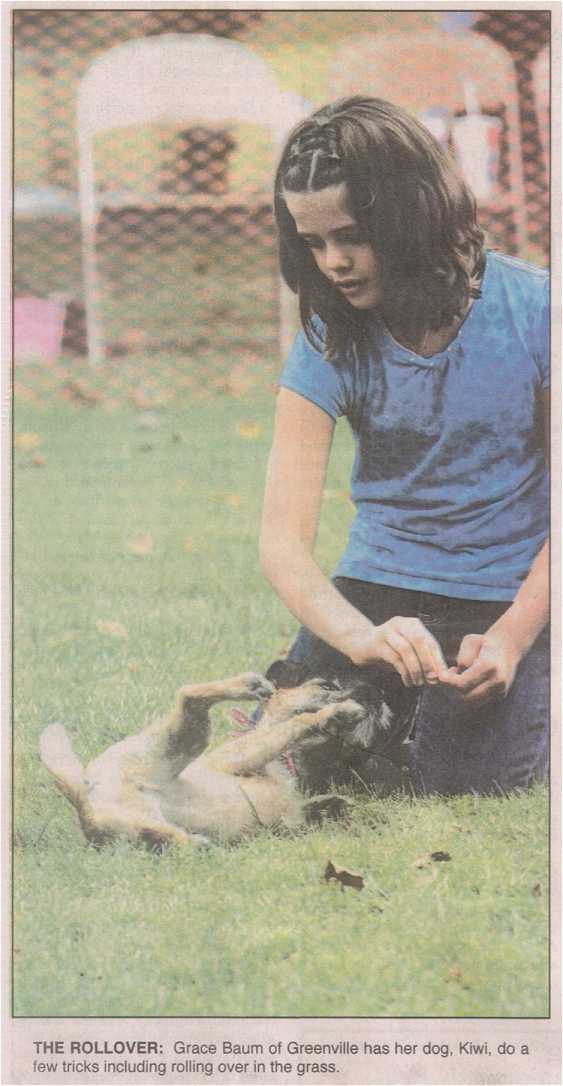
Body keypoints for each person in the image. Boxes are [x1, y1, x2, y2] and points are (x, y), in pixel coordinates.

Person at [259, 96, 549, 796]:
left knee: (459, 782)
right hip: (377, 590)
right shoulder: (328, 341)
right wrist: (359, 638)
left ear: (409, 217)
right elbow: (281, 544)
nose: (333, 262)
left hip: (508, 594)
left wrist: (511, 639)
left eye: (351, 236)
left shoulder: (536, 312)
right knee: (293, 762)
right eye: (313, 242)